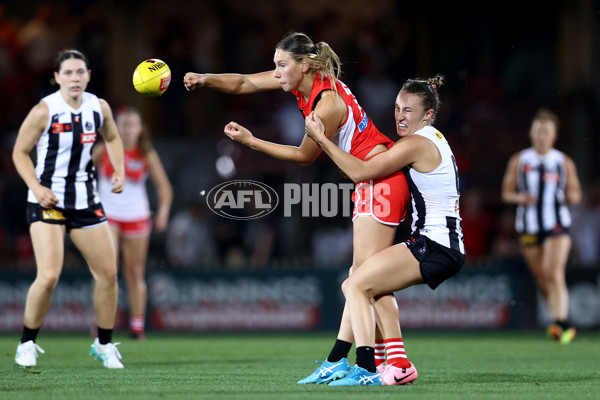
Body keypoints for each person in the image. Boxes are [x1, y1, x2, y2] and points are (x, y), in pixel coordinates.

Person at [184, 31, 414, 384]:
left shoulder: (328, 103)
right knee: (364, 280)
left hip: (380, 181)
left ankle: (367, 364)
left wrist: (251, 141)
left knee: (363, 280)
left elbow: (305, 156)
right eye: (274, 65)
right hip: (370, 182)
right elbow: (244, 82)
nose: (275, 73)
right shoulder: (305, 84)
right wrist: (205, 79)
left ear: (304, 65)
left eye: (281, 65)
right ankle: (355, 360)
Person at [304, 75, 465, 386]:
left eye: (408, 110)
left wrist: (321, 139)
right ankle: (395, 364)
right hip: (439, 242)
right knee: (371, 285)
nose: (400, 116)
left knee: (356, 286)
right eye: (397, 108)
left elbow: (360, 170)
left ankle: (366, 367)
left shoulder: (417, 143)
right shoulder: (434, 139)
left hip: (435, 244)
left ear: (428, 114)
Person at [12, 49, 126, 369]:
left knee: (108, 275)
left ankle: (103, 345)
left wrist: (117, 169)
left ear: (89, 75)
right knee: (48, 276)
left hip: (86, 201)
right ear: (57, 77)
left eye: (80, 72)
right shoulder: (44, 110)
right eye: (68, 73)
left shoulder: (98, 107)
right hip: (49, 201)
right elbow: (20, 153)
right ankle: (27, 343)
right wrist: (36, 188)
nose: (74, 78)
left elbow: (113, 137)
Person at [501, 108, 581, 344]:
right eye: (537, 131)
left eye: (545, 132)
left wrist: (568, 196)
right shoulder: (520, 160)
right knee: (543, 280)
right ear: (531, 133)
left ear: (554, 135)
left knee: (553, 272)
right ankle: (560, 320)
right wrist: (520, 198)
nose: (541, 136)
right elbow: (507, 193)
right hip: (528, 226)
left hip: (557, 224)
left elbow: (576, 193)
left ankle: (562, 323)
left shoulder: (563, 161)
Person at [93, 107, 173, 340]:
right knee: (106, 271)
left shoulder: (146, 153)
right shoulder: (102, 150)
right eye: (123, 125)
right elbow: (81, 176)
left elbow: (164, 187)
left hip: (137, 216)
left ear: (140, 130)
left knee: (135, 273)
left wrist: (163, 212)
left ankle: (137, 327)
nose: (128, 130)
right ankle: (101, 325)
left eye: (133, 125)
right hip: (108, 215)